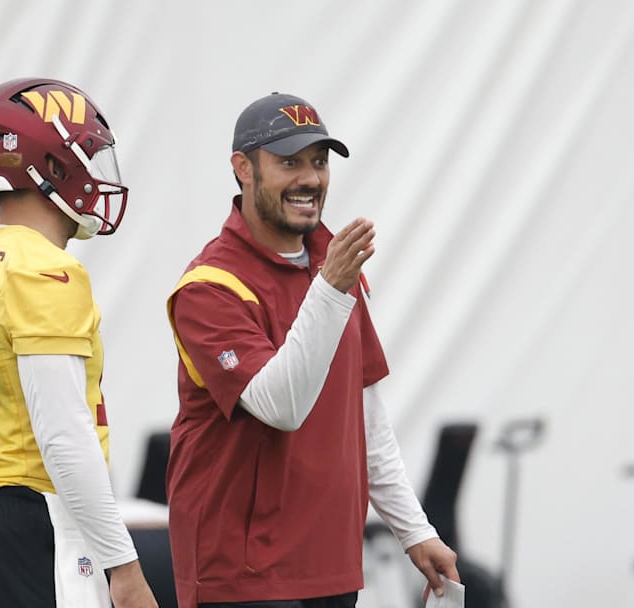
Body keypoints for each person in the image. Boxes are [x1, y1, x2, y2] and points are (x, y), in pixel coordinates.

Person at [165, 92, 460, 608]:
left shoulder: (332, 262)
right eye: (289, 162)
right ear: (243, 169)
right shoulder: (209, 286)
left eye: (319, 162)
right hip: (241, 574)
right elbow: (282, 408)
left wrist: (415, 530)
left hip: (331, 566)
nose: (310, 178)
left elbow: (364, 415)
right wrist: (329, 289)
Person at [0, 78, 158, 608]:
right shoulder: (45, 271)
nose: (94, 176)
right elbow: (63, 435)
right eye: (84, 158)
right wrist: (122, 567)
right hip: (35, 523)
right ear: (51, 167)